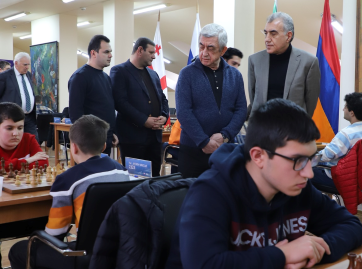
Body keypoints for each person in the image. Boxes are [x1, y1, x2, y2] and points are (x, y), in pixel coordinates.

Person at [156, 99, 362, 269]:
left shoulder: (297, 187)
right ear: (258, 156)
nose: (309, 173)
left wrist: (314, 251)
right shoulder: (209, 193)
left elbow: (352, 225)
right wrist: (283, 255)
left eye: (311, 159)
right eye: (298, 161)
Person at [8, 114, 129, 269]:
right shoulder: (122, 171)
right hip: (121, 258)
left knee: (22, 250)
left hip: (86, 261)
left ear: (72, 147)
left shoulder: (67, 180)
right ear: (104, 145)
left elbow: (54, 235)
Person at [175, 23, 247, 178]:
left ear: (223, 50)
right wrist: (203, 141)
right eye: (201, 46)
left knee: (223, 192)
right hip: (193, 151)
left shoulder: (235, 75)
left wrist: (225, 135)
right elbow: (183, 112)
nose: (204, 53)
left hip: (224, 150)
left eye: (210, 48)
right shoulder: (187, 74)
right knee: (190, 192)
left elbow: (241, 109)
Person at [0, 102, 49, 269]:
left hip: (30, 212)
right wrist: (27, 161)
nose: (16, 133)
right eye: (9, 128)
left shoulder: (29, 139)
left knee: (49, 225)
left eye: (20, 127)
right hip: (3, 215)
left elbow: (43, 164)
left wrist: (15, 164)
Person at [111, 37, 169, 175]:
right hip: (133, 138)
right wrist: (144, 120)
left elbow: (162, 98)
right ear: (140, 50)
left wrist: (164, 116)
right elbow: (120, 102)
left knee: (154, 177)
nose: (154, 56)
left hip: (155, 137)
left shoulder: (153, 74)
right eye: (151, 52)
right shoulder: (120, 71)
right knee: (136, 179)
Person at [248, 12, 320, 116]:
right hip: (261, 123)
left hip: (293, 124)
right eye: (266, 33)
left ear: (288, 36)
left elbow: (310, 102)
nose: (267, 39)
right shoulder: (254, 60)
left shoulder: (309, 62)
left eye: (273, 34)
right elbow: (253, 96)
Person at [312, 92, 362, 194]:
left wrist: (308, 157)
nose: (343, 109)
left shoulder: (346, 134)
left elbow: (326, 156)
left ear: (352, 113)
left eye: (345, 107)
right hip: (360, 179)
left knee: (302, 172)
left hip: (339, 179)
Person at [68, 35, 118, 154]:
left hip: (105, 136)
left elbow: (106, 108)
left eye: (110, 52)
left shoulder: (105, 77)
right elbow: (76, 114)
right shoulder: (80, 77)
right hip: (89, 142)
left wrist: (112, 132)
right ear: (93, 53)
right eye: (106, 52)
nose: (110, 55)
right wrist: (86, 139)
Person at [0, 52, 38, 137]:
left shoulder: (28, 75)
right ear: (16, 63)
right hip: (11, 118)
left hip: (29, 118)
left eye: (28, 64)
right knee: (14, 141)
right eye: (25, 64)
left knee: (33, 141)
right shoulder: (4, 76)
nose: (27, 67)